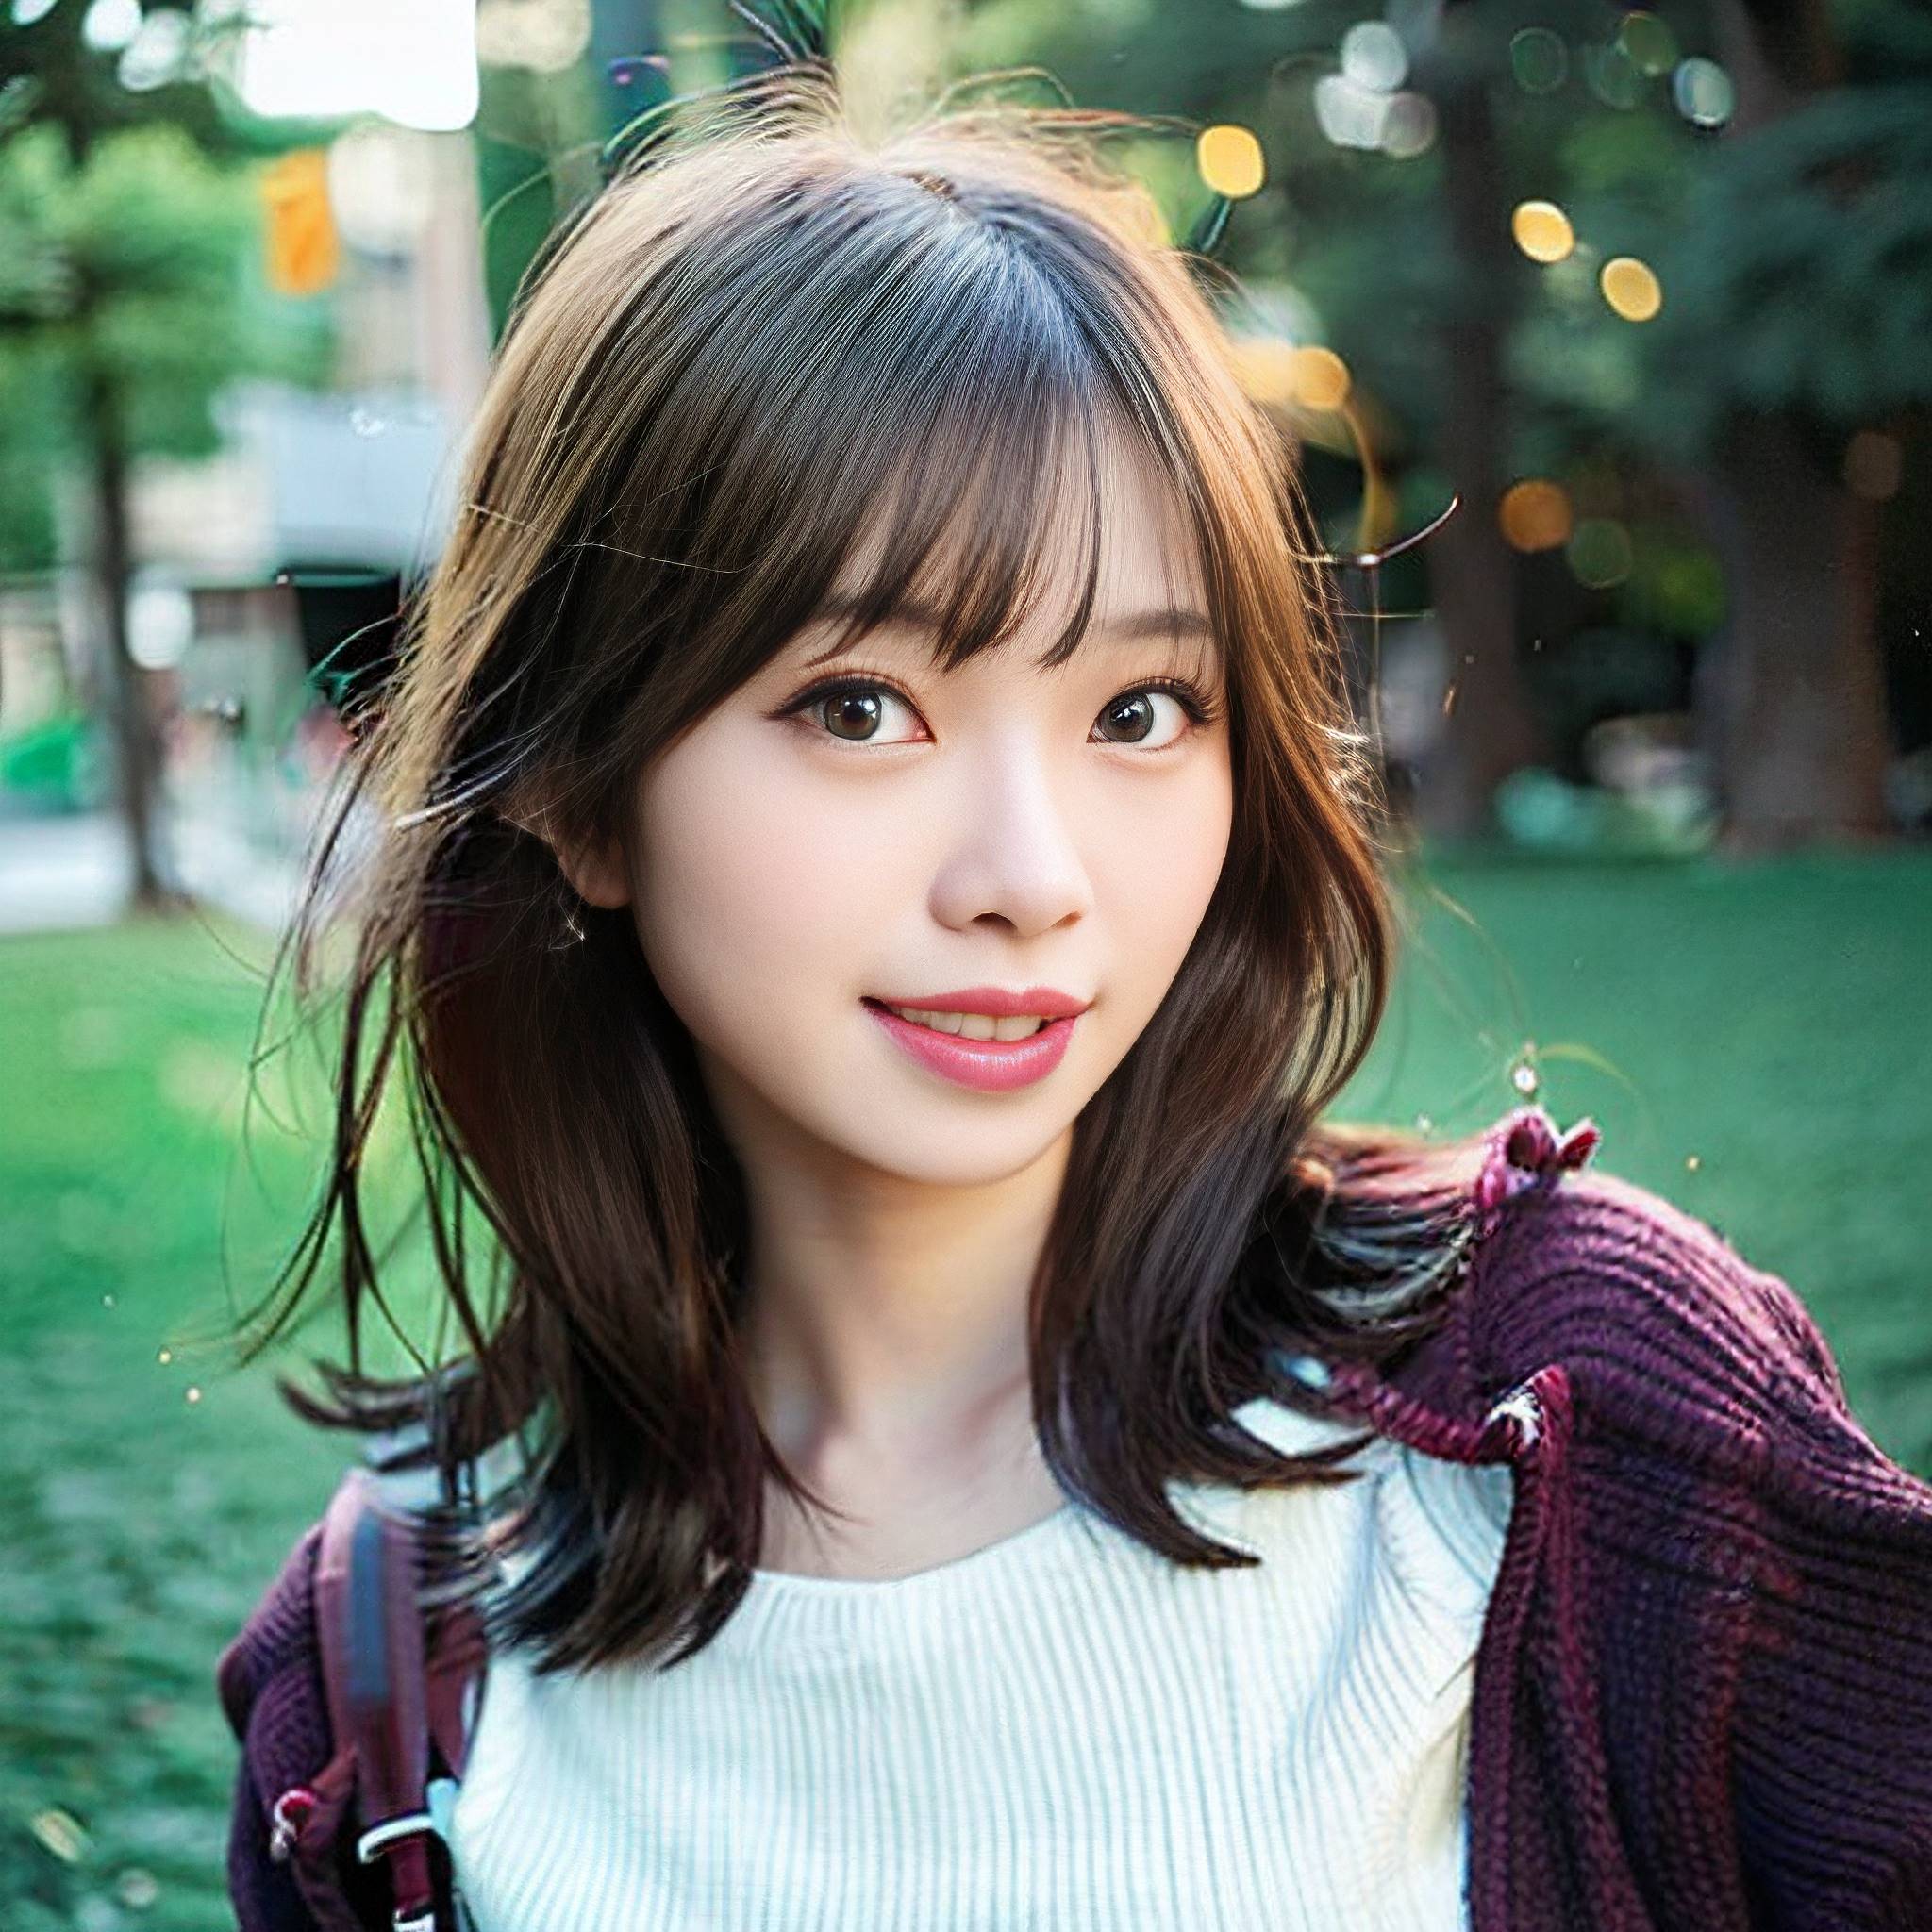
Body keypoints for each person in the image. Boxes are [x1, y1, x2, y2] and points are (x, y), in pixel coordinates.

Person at [217, 53, 1932, 1932]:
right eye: (859, 707)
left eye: (1138, 711)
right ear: (574, 790)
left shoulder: (1585, 1406)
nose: (1029, 877)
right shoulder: (385, 1677)